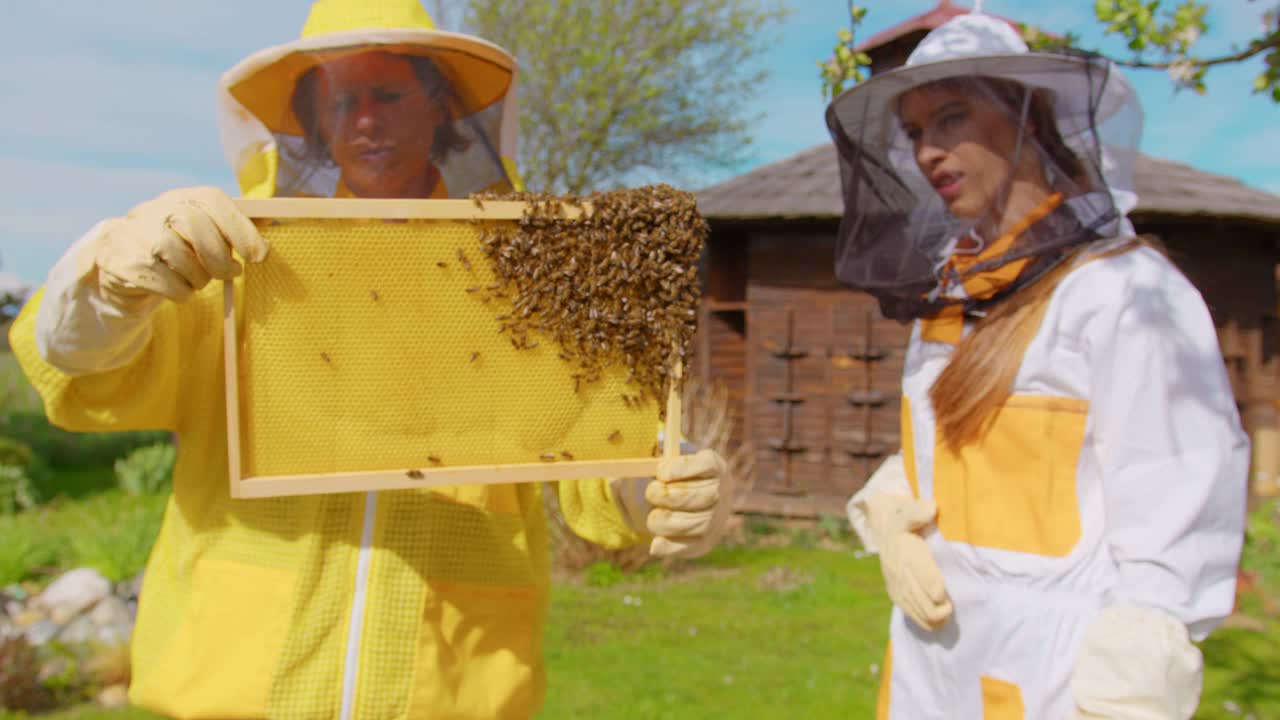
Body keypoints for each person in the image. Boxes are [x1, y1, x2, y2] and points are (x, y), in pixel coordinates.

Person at [9, 1, 727, 717]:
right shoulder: (237, 266)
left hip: (453, 683)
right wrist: (107, 282)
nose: (364, 119)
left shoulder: (526, 276)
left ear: (439, 109)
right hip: (235, 685)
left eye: (388, 94)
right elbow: (83, 368)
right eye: (341, 99)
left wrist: (653, 485)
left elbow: (595, 447)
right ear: (314, 121)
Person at [827, 8, 1248, 718]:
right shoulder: (952, 297)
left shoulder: (1128, 295)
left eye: (951, 117)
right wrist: (892, 511)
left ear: (1027, 117)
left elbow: (1174, 516)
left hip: (1060, 677)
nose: (929, 150)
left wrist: (1128, 698)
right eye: (915, 132)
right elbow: (953, 451)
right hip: (931, 669)